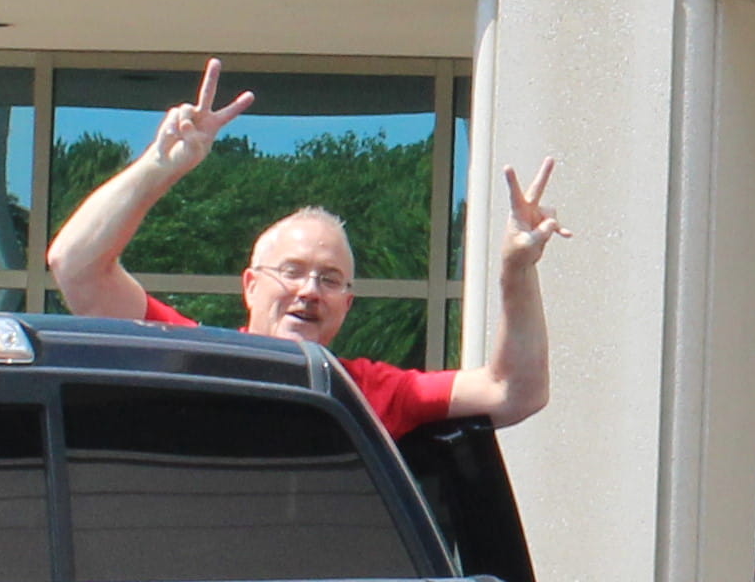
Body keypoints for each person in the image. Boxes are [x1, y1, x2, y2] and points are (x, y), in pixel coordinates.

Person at [44, 60, 560, 437]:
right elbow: (77, 267)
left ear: (347, 304)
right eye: (291, 271)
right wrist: (160, 168)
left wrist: (516, 269)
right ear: (250, 285)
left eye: (330, 279)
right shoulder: (191, 356)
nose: (309, 290)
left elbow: (515, 391)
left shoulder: (368, 391)